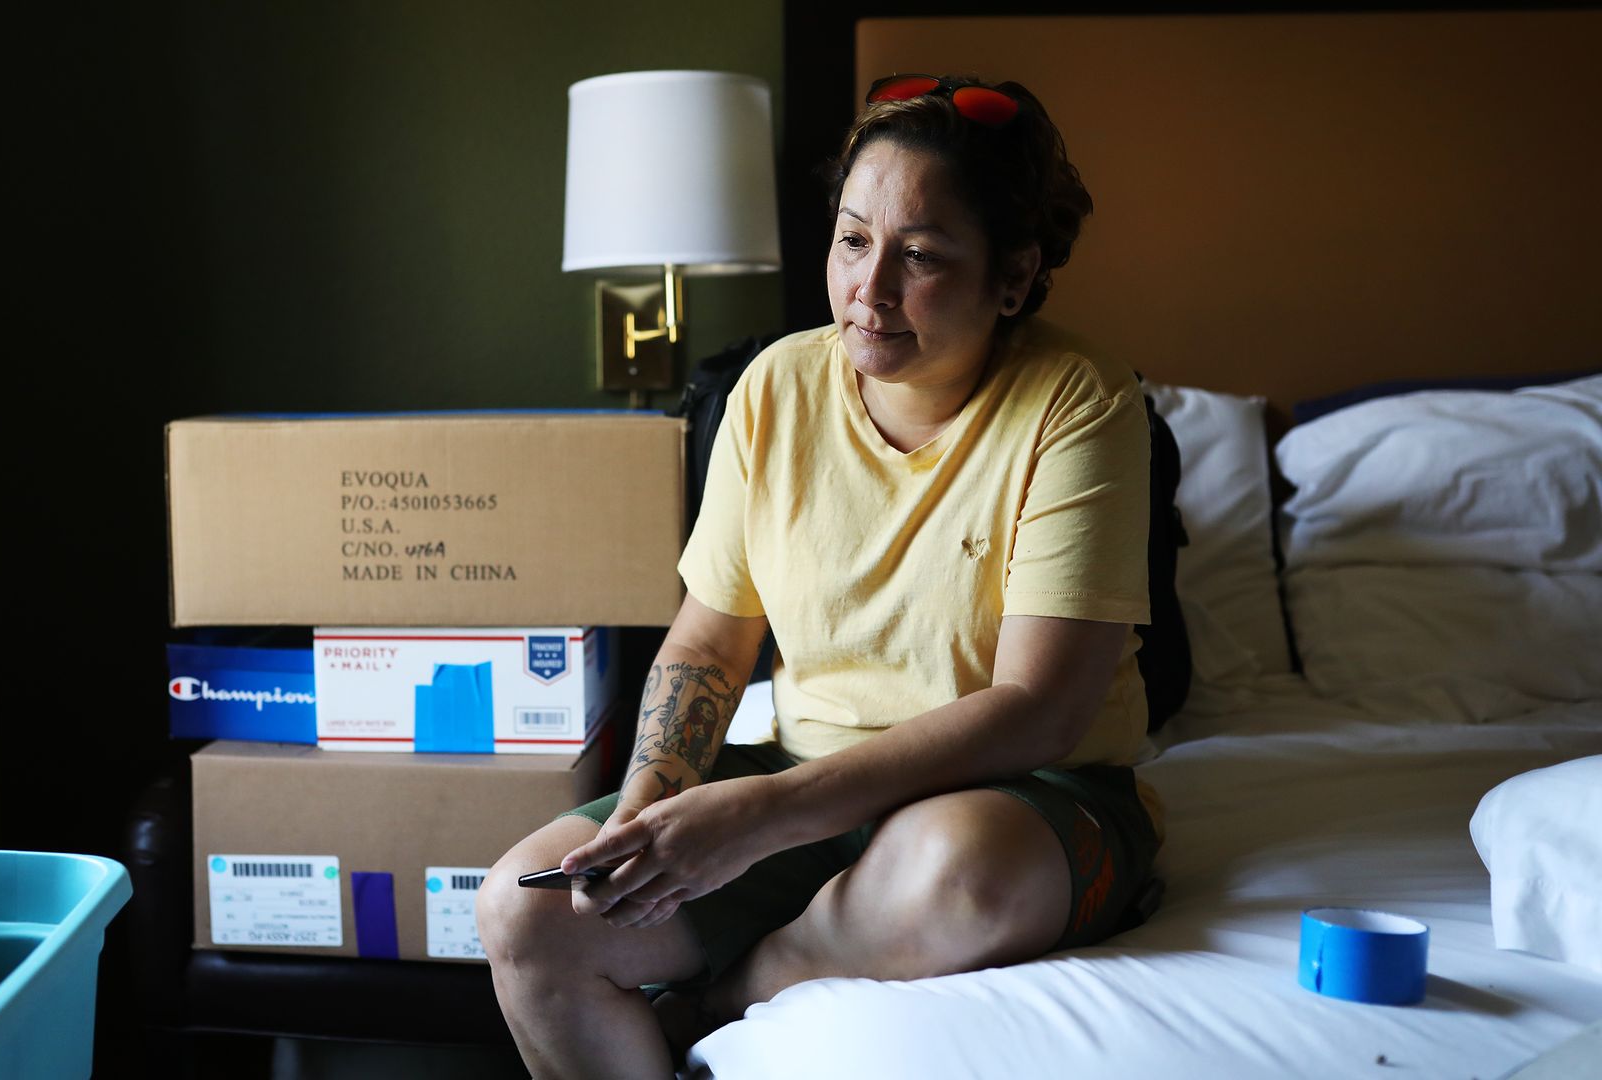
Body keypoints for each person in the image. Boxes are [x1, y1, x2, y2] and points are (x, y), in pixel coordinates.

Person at [476, 74, 1163, 1079]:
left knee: (960, 869)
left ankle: (721, 1001)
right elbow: (712, 637)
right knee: (526, 912)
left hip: (1024, 797)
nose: (869, 291)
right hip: (805, 775)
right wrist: (648, 809)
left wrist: (758, 818)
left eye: (921, 255)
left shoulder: (1078, 403)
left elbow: (1040, 709)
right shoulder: (777, 387)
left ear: (1013, 277)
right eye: (852, 241)